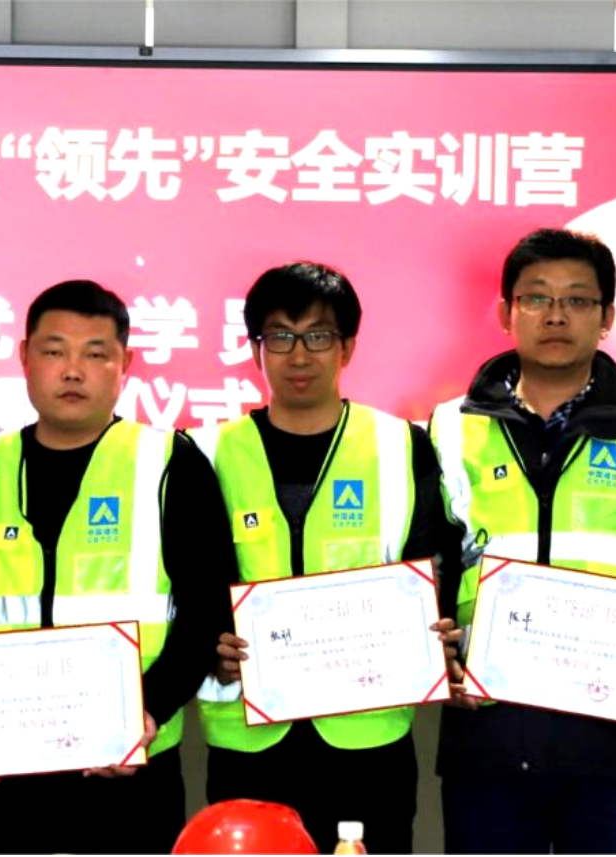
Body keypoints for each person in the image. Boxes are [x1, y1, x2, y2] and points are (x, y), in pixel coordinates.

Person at [427, 228, 616, 852]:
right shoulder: (448, 425)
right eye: (536, 297)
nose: (556, 314)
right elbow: (433, 564)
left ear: (607, 317)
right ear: (507, 313)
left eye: (578, 299)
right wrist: (434, 656)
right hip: (490, 735)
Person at [0, 280, 236, 853]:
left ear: (125, 363)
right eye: (55, 351)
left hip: (130, 762)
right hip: (2, 767)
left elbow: (205, 610)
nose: (73, 370)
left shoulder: (169, 462)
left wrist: (147, 711)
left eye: (95, 354)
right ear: (24, 357)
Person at [195, 262, 452, 854]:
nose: (299, 354)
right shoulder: (206, 452)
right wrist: (211, 644)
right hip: (248, 737)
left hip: (367, 734)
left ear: (347, 347)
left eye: (317, 335)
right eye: (280, 336)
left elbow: (431, 559)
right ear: (255, 349)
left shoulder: (401, 445)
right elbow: (192, 579)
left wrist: (431, 625)